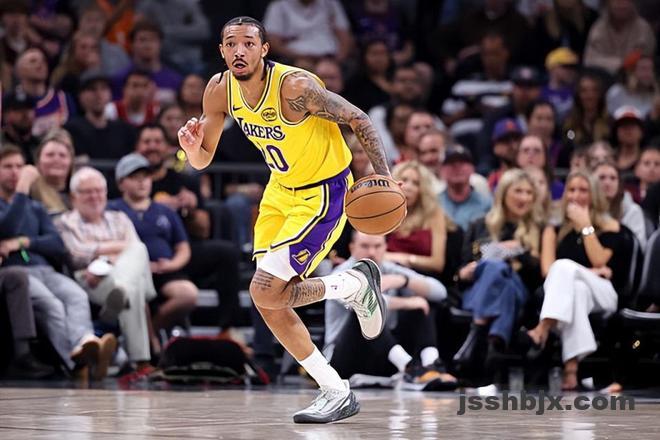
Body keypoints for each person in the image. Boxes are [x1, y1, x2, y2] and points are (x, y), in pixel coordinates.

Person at [177, 17, 391, 424]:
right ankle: (335, 388)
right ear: (221, 51)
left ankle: (353, 285)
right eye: (231, 44)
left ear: (264, 49)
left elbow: (359, 118)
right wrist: (191, 148)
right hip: (279, 190)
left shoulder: (295, 87)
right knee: (268, 300)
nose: (239, 51)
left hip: (323, 192)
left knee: (265, 290)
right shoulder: (219, 89)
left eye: (248, 43)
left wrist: (384, 176)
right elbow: (203, 160)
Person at [0, 145, 116, 378]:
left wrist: (23, 242)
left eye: (19, 166)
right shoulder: (17, 202)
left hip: (45, 269)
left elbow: (56, 243)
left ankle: (86, 344)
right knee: (51, 305)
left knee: (77, 296)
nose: (15, 172)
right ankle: (77, 364)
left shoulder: (35, 207)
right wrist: (23, 189)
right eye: (8, 167)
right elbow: (6, 228)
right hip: (18, 271)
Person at [525, 171, 626, 390]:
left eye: (583, 190)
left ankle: (543, 327)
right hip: (573, 291)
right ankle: (571, 370)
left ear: (594, 194)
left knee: (563, 266)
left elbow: (599, 259)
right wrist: (587, 272)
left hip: (604, 293)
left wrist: (586, 225)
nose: (576, 195)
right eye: (571, 190)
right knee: (576, 289)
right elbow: (547, 271)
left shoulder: (610, 226)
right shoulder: (553, 229)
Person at [326, 231, 456, 391]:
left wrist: (404, 281)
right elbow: (364, 302)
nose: (372, 252)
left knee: (422, 302)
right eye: (365, 246)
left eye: (377, 246)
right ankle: (411, 368)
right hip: (344, 359)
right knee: (365, 311)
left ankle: (431, 366)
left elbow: (440, 292)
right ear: (352, 248)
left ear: (385, 247)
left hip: (383, 356)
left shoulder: (389, 269)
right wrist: (406, 303)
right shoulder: (340, 275)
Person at [453, 169, 543, 373]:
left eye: (529, 193)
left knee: (499, 271)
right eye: (518, 191)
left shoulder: (539, 228)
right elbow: (460, 273)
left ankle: (477, 332)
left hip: (522, 297)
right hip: (479, 293)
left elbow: (539, 277)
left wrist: (520, 253)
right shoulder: (479, 225)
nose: (524, 198)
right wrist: (464, 273)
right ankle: (494, 343)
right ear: (503, 193)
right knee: (498, 273)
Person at [385, 161, 449, 278]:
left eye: (416, 183)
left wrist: (407, 259)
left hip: (422, 278)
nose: (408, 187)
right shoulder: (384, 212)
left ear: (422, 189)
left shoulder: (433, 213)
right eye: (404, 180)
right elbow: (371, 252)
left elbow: (437, 263)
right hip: (387, 273)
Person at [593, 160, 647, 251]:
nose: (607, 183)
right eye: (602, 178)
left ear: (619, 183)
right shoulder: (585, 209)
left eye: (613, 178)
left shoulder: (633, 211)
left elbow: (638, 248)